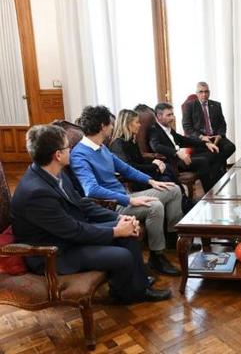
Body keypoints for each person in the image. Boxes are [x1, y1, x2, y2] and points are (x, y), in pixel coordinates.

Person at [11, 125, 171, 303]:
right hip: (54, 253)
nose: (71, 150)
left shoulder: (54, 172)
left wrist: (118, 218)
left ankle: (135, 287)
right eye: (67, 147)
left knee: (130, 233)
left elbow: (82, 204)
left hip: (69, 235)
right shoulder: (36, 193)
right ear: (57, 155)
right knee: (122, 255)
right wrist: (116, 231)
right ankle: (129, 293)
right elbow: (74, 232)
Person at [70, 105, 182, 276]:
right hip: (111, 205)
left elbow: (126, 169)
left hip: (125, 196)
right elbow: (91, 190)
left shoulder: (102, 147)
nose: (113, 127)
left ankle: (173, 240)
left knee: (173, 189)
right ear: (103, 126)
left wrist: (151, 181)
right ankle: (157, 256)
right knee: (155, 205)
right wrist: (128, 200)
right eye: (110, 123)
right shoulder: (80, 154)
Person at [109, 109, 193, 213]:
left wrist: (156, 162)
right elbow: (130, 168)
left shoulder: (131, 140)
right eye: (137, 122)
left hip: (143, 175)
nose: (139, 125)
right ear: (128, 124)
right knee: (168, 181)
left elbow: (140, 161)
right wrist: (154, 166)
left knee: (167, 169)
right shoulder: (118, 144)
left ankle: (184, 204)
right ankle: (184, 206)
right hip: (136, 181)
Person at [149, 102, 221, 192]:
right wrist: (176, 153)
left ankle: (217, 188)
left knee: (212, 154)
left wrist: (205, 143)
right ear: (159, 116)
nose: (172, 118)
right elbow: (156, 146)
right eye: (168, 115)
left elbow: (184, 140)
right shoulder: (154, 130)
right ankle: (210, 194)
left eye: (172, 114)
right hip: (172, 163)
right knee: (203, 161)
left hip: (180, 159)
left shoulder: (168, 128)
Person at [182, 82, 236, 171]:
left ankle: (215, 167)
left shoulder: (216, 105)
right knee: (211, 152)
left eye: (206, 92)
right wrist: (202, 137)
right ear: (197, 93)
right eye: (201, 92)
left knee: (230, 147)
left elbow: (222, 123)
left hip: (216, 137)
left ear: (209, 92)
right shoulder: (189, 106)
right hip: (200, 139)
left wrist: (219, 135)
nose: (204, 94)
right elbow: (187, 127)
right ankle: (217, 170)